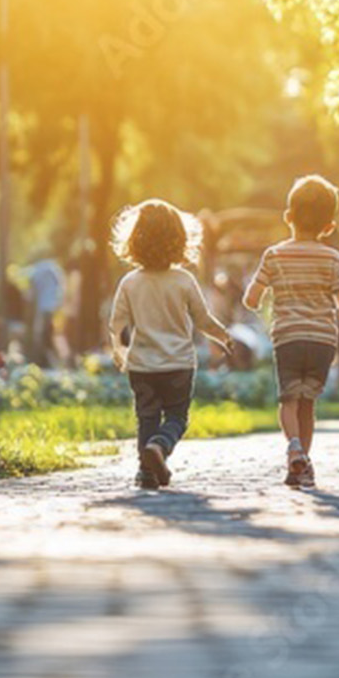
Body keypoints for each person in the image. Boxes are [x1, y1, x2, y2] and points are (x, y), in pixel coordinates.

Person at [244, 175, 339, 490]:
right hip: (322, 341)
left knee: (289, 399)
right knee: (308, 402)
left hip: (288, 338)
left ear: (288, 217)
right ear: (329, 227)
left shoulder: (274, 255)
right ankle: (302, 462)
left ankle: (294, 447)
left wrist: (257, 300)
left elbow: (251, 298)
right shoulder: (333, 258)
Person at [108, 200, 233, 490]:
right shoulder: (184, 280)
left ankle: (146, 472)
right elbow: (203, 321)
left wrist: (118, 350)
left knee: (147, 416)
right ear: (179, 240)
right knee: (176, 416)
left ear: (134, 239)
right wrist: (224, 336)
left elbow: (116, 323)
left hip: (141, 365)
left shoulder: (129, 283)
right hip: (178, 364)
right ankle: (160, 447)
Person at [28, 257, 66, 366]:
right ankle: (57, 361)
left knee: (43, 335)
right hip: (53, 307)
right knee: (51, 334)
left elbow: (31, 293)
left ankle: (50, 362)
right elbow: (61, 288)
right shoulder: (54, 269)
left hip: (43, 307)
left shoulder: (36, 271)